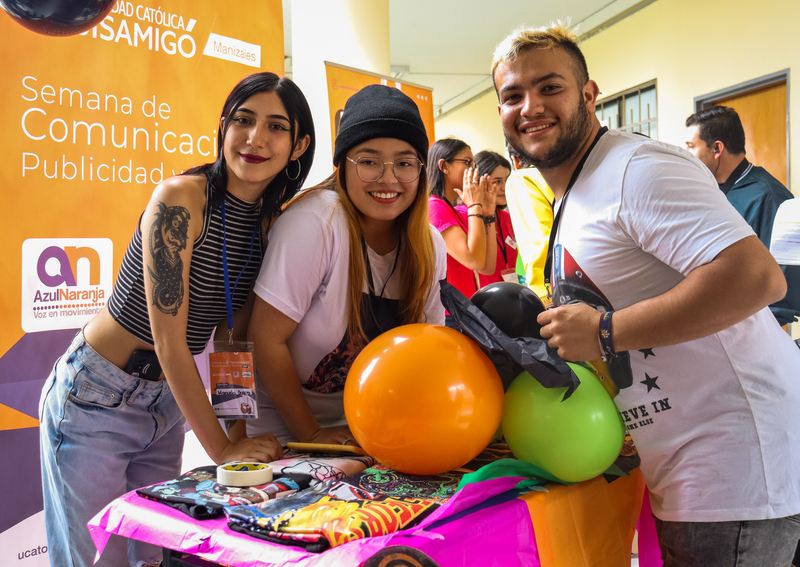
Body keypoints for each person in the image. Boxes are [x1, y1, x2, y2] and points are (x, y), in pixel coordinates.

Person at [492, 22, 800, 566]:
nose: (530, 106)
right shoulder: (577, 189)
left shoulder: (637, 169)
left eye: (549, 87)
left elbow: (757, 278)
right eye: (512, 95)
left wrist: (605, 332)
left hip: (735, 463)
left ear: (589, 95)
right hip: (686, 460)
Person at [39, 72, 315, 567]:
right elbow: (169, 342)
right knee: (96, 561)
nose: (255, 138)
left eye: (276, 127)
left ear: (299, 146)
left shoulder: (267, 225)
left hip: (167, 403)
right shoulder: (180, 199)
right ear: (223, 126)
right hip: (95, 397)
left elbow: (232, 340)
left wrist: (237, 436)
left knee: (155, 557)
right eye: (243, 120)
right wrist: (221, 450)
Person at [242, 84, 447, 446]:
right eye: (368, 161)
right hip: (283, 429)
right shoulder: (316, 223)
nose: (388, 178)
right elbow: (265, 339)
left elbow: (426, 349)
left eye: (404, 162)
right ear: (342, 167)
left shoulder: (429, 243)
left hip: (369, 425)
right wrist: (313, 433)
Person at [685, 105, 800, 328]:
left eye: (691, 147)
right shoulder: (710, 189)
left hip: (751, 328)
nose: (687, 155)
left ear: (717, 149)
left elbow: (783, 288)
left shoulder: (769, 197)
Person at [427, 138, 497, 324]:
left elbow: (487, 267)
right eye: (467, 163)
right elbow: (473, 259)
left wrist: (488, 214)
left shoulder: (456, 211)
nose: (474, 170)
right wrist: (474, 204)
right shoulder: (433, 207)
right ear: (444, 166)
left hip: (464, 309)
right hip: (448, 314)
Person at [503, 149, 554, 301]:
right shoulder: (564, 176)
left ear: (515, 161)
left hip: (553, 285)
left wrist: (544, 297)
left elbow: (538, 243)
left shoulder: (522, 178)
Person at [469, 150, 519, 288]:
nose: (504, 187)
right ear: (479, 182)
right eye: (497, 181)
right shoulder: (469, 218)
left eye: (507, 180)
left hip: (508, 295)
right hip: (481, 300)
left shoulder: (506, 217)